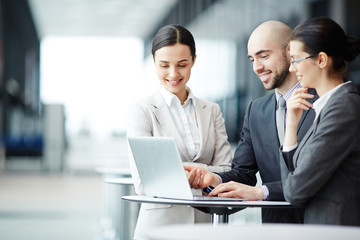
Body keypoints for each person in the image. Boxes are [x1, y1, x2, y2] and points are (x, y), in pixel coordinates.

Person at [185, 20, 318, 223]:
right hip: (276, 229)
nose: (257, 67)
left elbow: (319, 176)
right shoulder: (256, 110)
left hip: (323, 226)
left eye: (264, 56)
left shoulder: (324, 101)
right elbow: (243, 173)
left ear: (290, 51)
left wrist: (261, 191)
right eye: (251, 59)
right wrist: (215, 179)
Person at [127, 24, 233, 239]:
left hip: (203, 225)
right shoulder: (142, 110)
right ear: (154, 62)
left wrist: (184, 171)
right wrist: (204, 174)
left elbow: (226, 170)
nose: (173, 73)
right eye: (164, 65)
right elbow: (143, 181)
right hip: (158, 228)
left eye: (182, 65)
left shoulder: (211, 110)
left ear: (194, 60)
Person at [280, 17, 360, 225]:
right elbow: (294, 180)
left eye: (296, 60)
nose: (292, 68)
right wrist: (291, 126)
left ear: (321, 60)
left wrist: (293, 183)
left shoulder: (343, 108)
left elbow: (294, 190)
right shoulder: (328, 106)